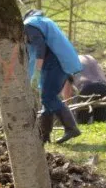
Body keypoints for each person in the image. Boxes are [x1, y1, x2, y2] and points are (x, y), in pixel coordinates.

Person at [23, 10, 84, 144]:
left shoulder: (29, 25)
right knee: (47, 98)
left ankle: (71, 128)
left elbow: (40, 48)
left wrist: (37, 71)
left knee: (48, 97)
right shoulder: (44, 21)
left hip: (54, 63)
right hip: (61, 61)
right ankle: (44, 136)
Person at [62, 54, 106, 124]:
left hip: (87, 87)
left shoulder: (69, 63)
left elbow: (66, 92)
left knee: (82, 122)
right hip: (103, 87)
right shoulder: (90, 57)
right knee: (100, 122)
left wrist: (67, 108)